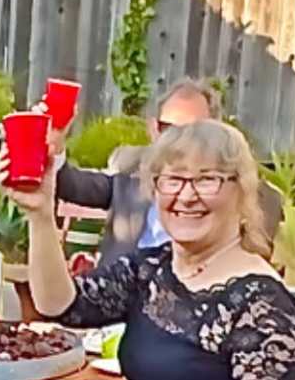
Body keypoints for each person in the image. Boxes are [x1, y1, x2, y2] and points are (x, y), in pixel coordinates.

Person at [13, 115, 295, 380]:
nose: (186, 196)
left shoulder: (263, 304)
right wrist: (39, 214)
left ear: (241, 192)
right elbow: (62, 306)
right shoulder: (153, 269)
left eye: (207, 179)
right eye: (172, 180)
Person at [52, 81, 225, 252]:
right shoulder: (129, 174)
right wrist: (55, 142)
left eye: (193, 131)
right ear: (153, 129)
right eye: (168, 129)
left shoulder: (226, 193)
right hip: (118, 279)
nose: (178, 142)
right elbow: (69, 184)